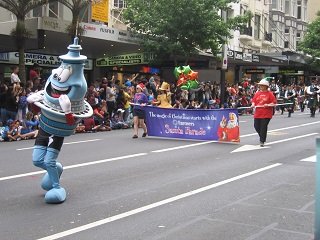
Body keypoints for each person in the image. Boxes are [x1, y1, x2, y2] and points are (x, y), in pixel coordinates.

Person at [250, 78, 277, 147]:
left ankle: (262, 140)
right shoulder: (258, 93)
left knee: (263, 126)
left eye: (262, 85)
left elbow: (274, 103)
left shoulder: (270, 94)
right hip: (258, 113)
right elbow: (254, 101)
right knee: (256, 126)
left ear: (266, 86)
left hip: (266, 113)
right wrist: (253, 104)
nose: (261, 87)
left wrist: (268, 105)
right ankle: (262, 135)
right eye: (260, 85)